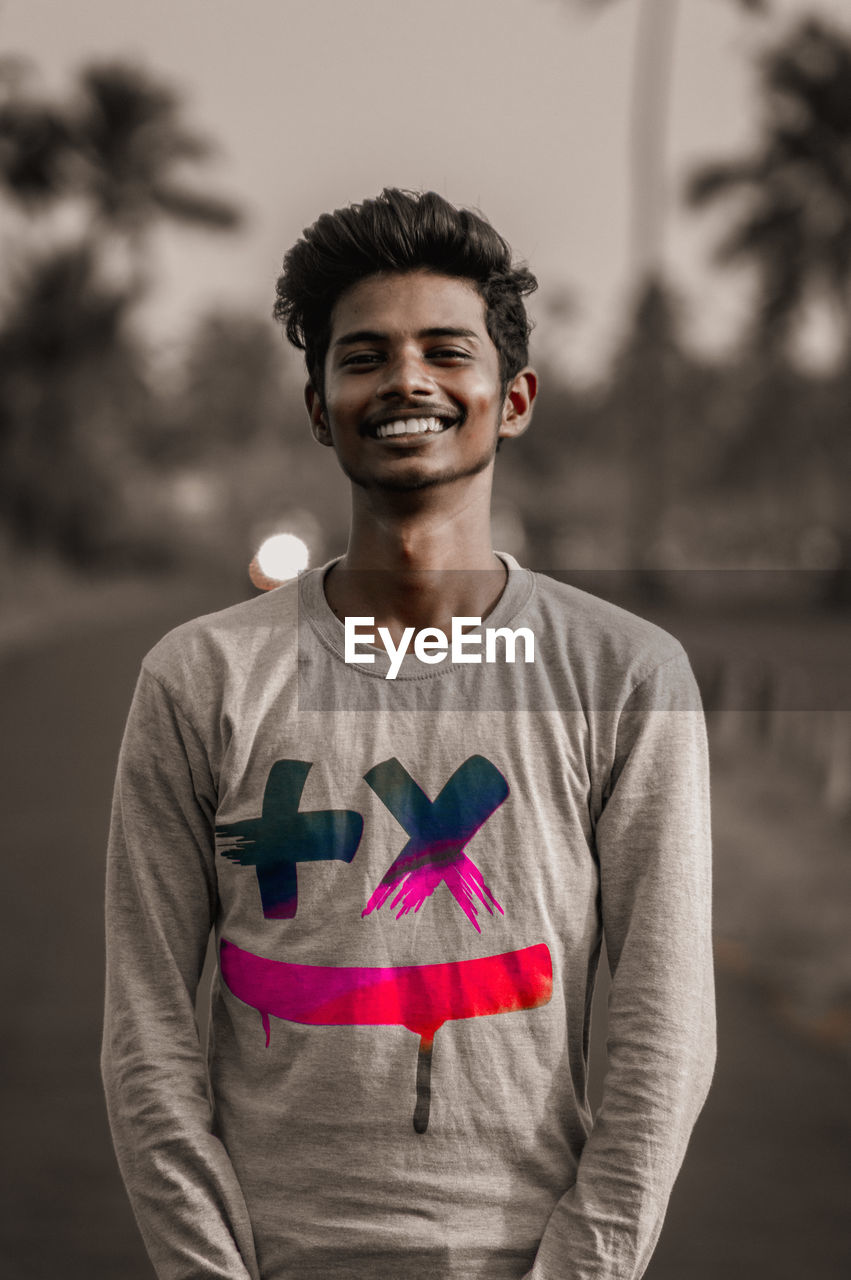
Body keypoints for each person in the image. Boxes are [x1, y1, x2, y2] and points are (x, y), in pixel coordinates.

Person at [101, 188, 716, 1280]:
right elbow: (146, 1029)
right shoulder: (198, 678)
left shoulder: (624, 676)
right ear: (316, 405)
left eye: (444, 349)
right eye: (363, 356)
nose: (406, 382)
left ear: (512, 396)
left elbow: (664, 1032)